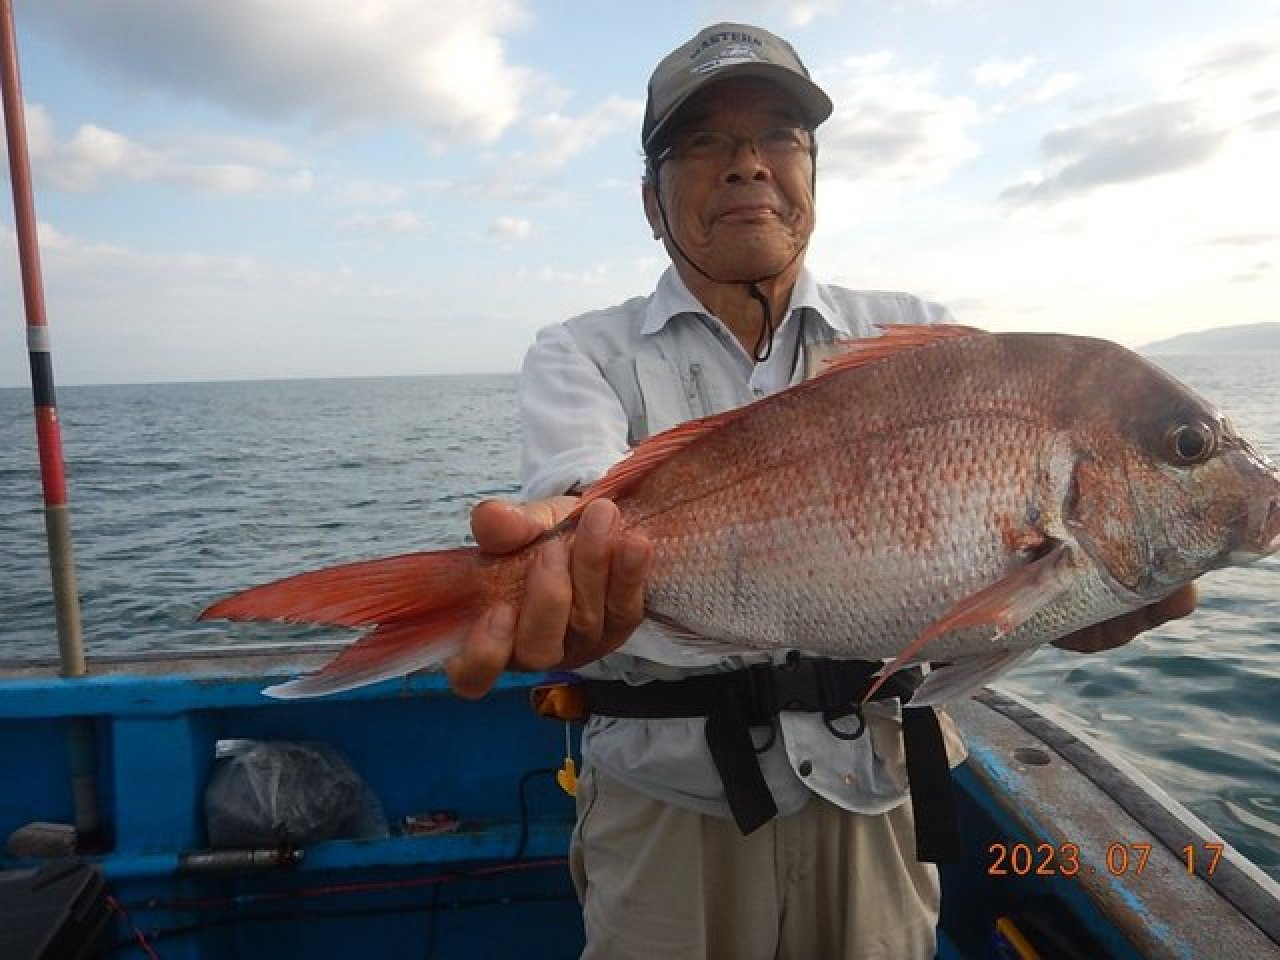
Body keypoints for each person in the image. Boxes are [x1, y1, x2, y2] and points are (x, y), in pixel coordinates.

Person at [445, 23, 1198, 960]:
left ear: (811, 174)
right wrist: (570, 555)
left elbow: (983, 584)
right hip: (667, 804)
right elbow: (582, 504)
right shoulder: (582, 352)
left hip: (876, 789)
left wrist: (1056, 609)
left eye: (779, 138)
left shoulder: (922, 337)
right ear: (650, 200)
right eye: (704, 143)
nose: (747, 165)